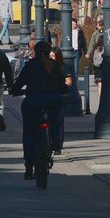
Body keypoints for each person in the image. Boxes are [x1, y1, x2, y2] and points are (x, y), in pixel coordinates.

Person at [11, 40, 67, 180]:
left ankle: (29, 167)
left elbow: (19, 83)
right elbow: (62, 85)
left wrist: (15, 90)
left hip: (33, 102)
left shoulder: (30, 65)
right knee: (56, 120)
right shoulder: (54, 65)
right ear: (48, 52)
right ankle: (56, 142)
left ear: (35, 52)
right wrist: (63, 90)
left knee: (29, 132)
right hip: (52, 101)